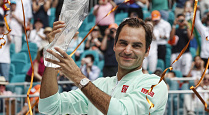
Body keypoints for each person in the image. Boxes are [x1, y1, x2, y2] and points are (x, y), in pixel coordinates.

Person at [38, 18, 168, 114]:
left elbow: (123, 113)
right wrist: (54, 50)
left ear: (147, 51)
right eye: (123, 43)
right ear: (114, 46)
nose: (128, 50)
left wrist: (78, 77)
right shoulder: (99, 85)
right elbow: (49, 107)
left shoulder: (155, 84)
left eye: (136, 45)